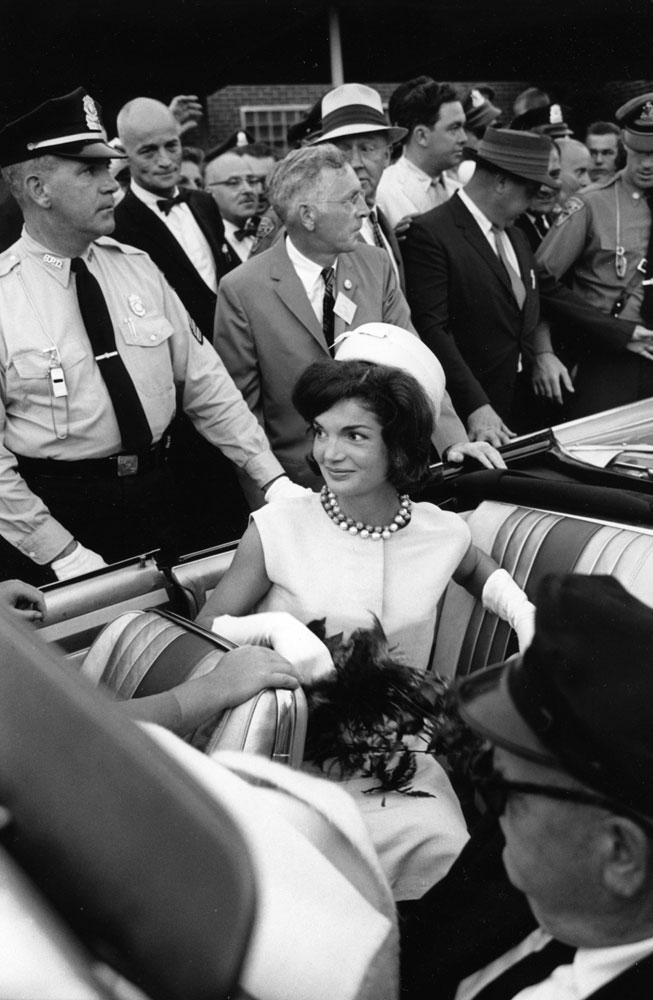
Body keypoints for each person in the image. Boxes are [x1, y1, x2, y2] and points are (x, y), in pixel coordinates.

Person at [197, 332, 535, 900]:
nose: (329, 454)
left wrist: (526, 615)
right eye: (322, 433)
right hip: (287, 753)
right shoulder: (277, 528)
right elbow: (209, 627)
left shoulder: (440, 531)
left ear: (400, 447)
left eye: (355, 435)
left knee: (445, 861)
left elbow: (480, 572)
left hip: (399, 756)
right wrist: (275, 631)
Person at [0, 86, 297, 584]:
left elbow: (207, 385)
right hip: (61, 514)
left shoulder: (137, 269)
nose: (111, 186)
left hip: (163, 496)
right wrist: (59, 549)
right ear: (37, 188)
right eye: (89, 171)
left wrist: (271, 477)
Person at [402, 572, 653, 998]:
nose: (488, 802)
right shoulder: (518, 848)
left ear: (621, 853)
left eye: (501, 789)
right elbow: (421, 944)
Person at [214, 143, 503, 504]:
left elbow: (414, 364)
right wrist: (271, 503)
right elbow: (242, 416)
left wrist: (453, 441)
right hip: (298, 492)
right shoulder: (242, 289)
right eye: (350, 200)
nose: (364, 211)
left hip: (383, 483)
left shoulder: (376, 266)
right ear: (307, 216)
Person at [403, 128, 556, 444]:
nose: (530, 205)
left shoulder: (516, 236)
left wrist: (542, 352)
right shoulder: (431, 234)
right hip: (474, 417)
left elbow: (535, 302)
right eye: (530, 192)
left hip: (522, 405)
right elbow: (433, 329)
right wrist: (476, 403)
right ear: (501, 182)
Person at [535, 91, 653, 417]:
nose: (646, 163)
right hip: (607, 356)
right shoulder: (590, 204)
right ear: (625, 148)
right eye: (638, 153)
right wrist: (543, 351)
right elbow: (539, 280)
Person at [113, 97, 235, 340]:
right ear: (125, 156)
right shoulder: (118, 224)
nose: (165, 161)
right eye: (148, 151)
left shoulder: (205, 202)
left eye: (172, 146)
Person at [311, 83, 408, 288]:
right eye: (344, 150)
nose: (355, 162)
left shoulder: (381, 223)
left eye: (367, 148)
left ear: (387, 156)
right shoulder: (316, 230)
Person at [376, 77, 466, 231]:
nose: (463, 138)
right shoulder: (384, 193)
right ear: (422, 136)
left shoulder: (460, 190)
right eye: (454, 128)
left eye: (463, 127)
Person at [204, 147, 260, 262]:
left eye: (251, 181)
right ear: (209, 193)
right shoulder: (206, 241)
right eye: (234, 183)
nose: (248, 189)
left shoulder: (267, 231)